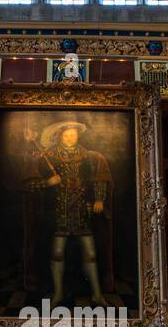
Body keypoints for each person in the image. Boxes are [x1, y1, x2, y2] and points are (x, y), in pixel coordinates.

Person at [25, 120, 113, 306]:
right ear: (60, 137)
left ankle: (97, 294)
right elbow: (28, 186)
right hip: (59, 212)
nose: (70, 138)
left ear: (78, 136)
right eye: (66, 135)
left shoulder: (90, 157)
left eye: (73, 135)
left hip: (82, 212)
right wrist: (49, 183)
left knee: (90, 253)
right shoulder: (47, 157)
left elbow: (100, 178)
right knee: (57, 253)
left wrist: (99, 199)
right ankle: (58, 294)